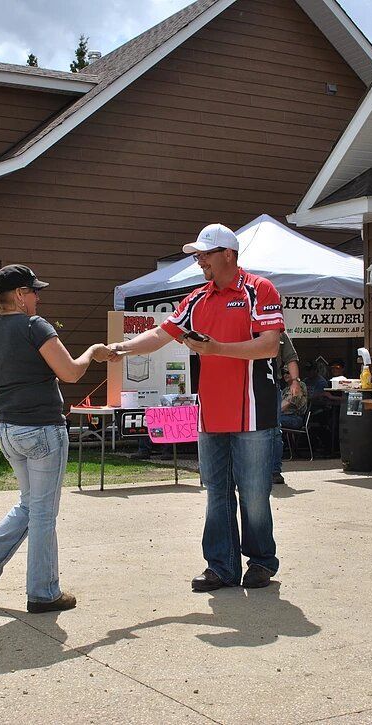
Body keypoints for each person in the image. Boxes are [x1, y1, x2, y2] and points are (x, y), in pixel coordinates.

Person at [108, 223, 284, 593]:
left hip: (253, 411)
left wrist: (216, 348)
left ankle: (262, 562)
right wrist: (120, 348)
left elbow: (269, 346)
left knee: (253, 494)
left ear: (229, 255)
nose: (199, 260)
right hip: (211, 413)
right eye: (197, 254)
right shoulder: (196, 298)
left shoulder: (260, 289)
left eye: (205, 253)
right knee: (215, 491)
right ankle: (220, 567)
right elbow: (160, 335)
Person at [0, 264, 110, 614]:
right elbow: (70, 372)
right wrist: (93, 352)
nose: (39, 297)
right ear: (20, 296)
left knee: (29, 505)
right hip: (42, 427)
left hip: (8, 429)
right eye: (34, 291)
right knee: (43, 514)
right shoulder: (34, 326)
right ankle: (43, 592)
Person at [271, 332, 301, 485]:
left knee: (275, 430)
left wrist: (295, 381)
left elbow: (291, 358)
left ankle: (275, 470)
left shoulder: (279, 332)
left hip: (271, 384)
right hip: (243, 383)